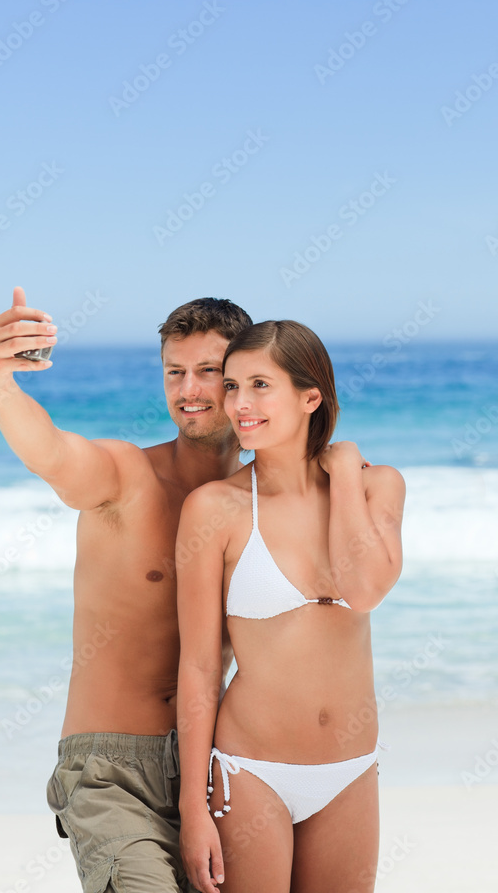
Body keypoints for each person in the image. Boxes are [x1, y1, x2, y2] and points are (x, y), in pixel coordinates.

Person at [0, 286, 252, 893]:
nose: (187, 391)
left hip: (217, 769)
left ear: (244, 380)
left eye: (208, 372)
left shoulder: (262, 504)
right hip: (110, 773)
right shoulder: (128, 476)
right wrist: (1, 387)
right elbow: (52, 453)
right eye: (174, 372)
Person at [175, 320, 405, 893]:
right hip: (249, 772)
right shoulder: (214, 509)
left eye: (259, 385)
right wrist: (191, 807)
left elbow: (364, 589)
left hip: (350, 771)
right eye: (231, 386)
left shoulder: (379, 487)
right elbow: (200, 666)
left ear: (310, 396)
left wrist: (345, 472)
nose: (239, 404)